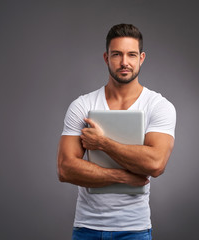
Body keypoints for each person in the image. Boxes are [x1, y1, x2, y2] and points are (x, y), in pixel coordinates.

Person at [57, 23, 176, 240]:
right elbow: (65, 169)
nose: (124, 62)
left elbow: (156, 164)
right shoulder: (82, 105)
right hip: (87, 228)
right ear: (106, 58)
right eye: (117, 54)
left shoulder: (158, 106)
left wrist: (103, 143)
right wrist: (122, 177)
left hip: (135, 230)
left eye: (131, 55)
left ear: (141, 58)